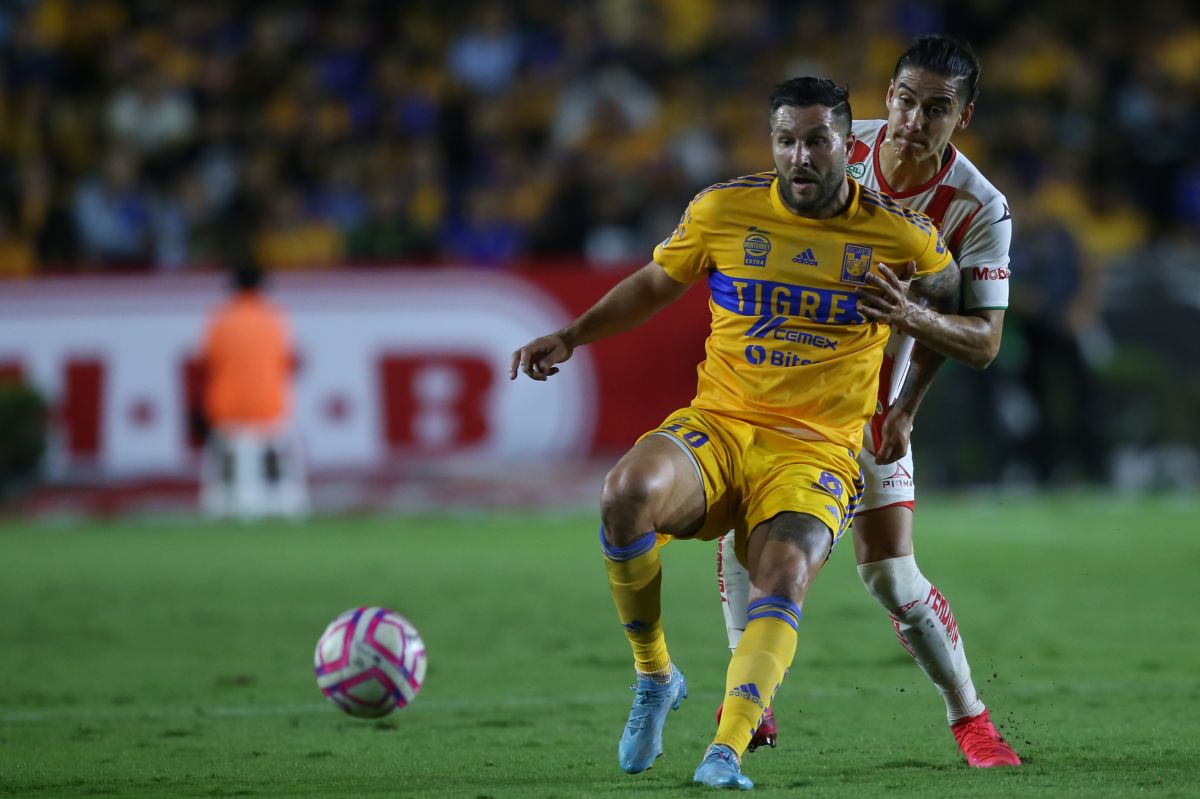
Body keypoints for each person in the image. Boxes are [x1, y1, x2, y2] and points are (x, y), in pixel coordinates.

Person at [511, 77, 959, 790]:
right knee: (624, 492)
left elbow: (951, 299)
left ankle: (726, 750)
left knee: (781, 575)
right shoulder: (724, 210)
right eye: (786, 140)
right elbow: (654, 285)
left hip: (815, 450)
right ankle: (656, 676)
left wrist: (906, 392)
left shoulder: (897, 233)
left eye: (817, 140)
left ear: (848, 143)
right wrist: (572, 335)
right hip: (720, 424)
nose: (801, 156)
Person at [716, 35, 1021, 768]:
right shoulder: (832, 142)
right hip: (786, 382)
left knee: (887, 571)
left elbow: (982, 341)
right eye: (905, 101)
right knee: (741, 534)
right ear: (886, 97)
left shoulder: (979, 208)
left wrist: (907, 392)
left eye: (937, 109)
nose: (915, 120)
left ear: (965, 117)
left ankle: (969, 717)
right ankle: (747, 704)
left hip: (873, 399)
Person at [198, 259, 307, 519]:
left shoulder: (220, 320)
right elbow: (288, 363)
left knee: (228, 450)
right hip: (270, 410)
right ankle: (287, 499)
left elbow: (207, 364)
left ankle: (220, 500)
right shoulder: (275, 319)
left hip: (227, 411)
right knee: (278, 448)